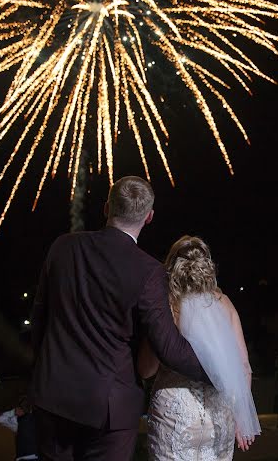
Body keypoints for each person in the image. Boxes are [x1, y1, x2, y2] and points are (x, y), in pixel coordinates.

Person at [29, 176, 211, 461]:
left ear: (106, 208)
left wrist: (36, 381)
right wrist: (218, 372)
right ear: (149, 217)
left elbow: (39, 321)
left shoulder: (62, 247)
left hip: (52, 398)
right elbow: (168, 347)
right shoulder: (149, 271)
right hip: (109, 410)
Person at [139, 235, 261, 460]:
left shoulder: (166, 308)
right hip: (219, 417)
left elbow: (147, 369)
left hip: (175, 419)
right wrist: (241, 419)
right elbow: (244, 367)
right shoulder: (224, 304)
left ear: (171, 268)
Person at [0, 395, 39, 460]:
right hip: (22, 457)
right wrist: (13, 412)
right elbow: (0, 419)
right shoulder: (16, 420)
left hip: (35, 457)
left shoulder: (38, 417)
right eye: (22, 406)